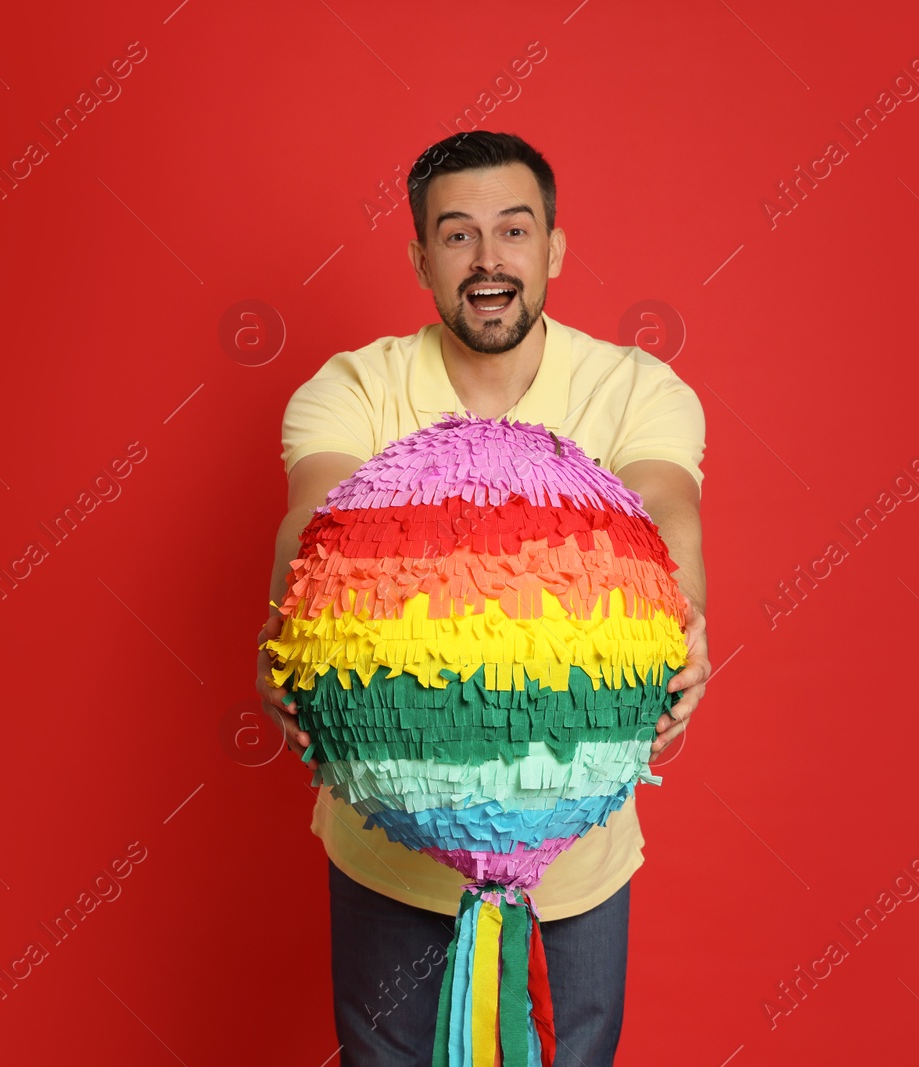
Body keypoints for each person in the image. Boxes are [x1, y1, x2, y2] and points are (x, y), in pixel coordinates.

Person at [255, 130, 711, 1066]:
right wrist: (293, 624)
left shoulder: (635, 387)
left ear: (554, 249)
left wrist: (682, 622)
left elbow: (667, 506)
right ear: (420, 256)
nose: (489, 258)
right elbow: (317, 515)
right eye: (457, 235)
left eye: (515, 230)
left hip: (576, 856)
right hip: (389, 847)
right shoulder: (353, 387)